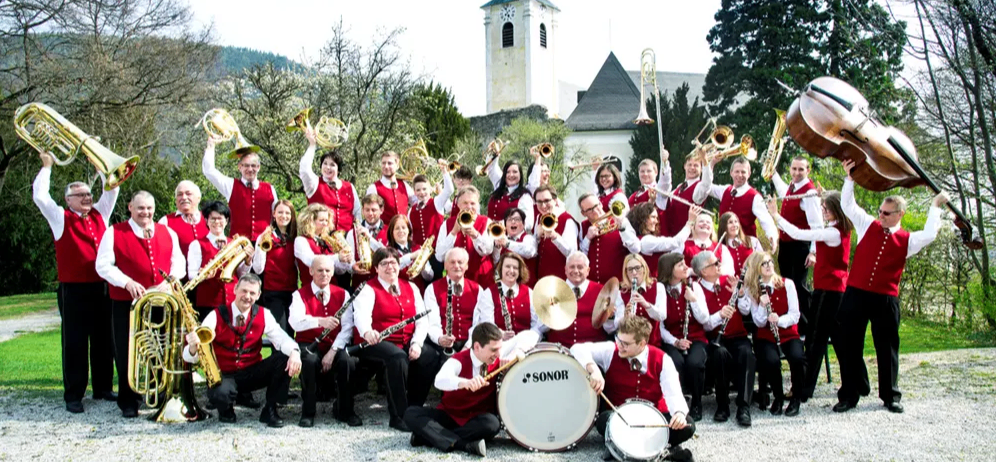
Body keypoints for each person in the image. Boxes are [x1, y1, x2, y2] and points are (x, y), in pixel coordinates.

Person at [833, 159, 947, 414]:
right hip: (856, 293)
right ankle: (850, 393)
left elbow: (929, 233)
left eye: (886, 213)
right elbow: (848, 205)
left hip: (886, 299)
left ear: (899, 214)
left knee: (887, 347)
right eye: (880, 211)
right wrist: (849, 179)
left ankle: (890, 395)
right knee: (849, 342)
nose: (881, 216)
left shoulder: (908, 240)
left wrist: (935, 206)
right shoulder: (867, 225)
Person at [32, 151, 119, 413]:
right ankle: (74, 395)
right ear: (68, 199)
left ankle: (103, 388)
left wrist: (102, 166)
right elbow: (40, 197)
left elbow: (112, 191)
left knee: (105, 340)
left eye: (88, 194)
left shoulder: (100, 215)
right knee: (75, 343)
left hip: (102, 287)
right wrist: (47, 166)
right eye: (80, 195)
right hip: (74, 290)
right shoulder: (60, 217)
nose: (87, 198)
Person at [95, 191, 185, 418]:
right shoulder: (114, 232)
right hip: (127, 303)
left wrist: (170, 281)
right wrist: (127, 282)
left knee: (161, 348)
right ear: (130, 207)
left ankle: (159, 394)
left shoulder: (168, 232)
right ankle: (128, 400)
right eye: (140, 208)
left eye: (149, 208)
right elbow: (103, 265)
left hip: (161, 302)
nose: (145, 212)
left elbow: (179, 263)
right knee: (126, 351)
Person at [182, 273, 302, 427]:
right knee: (220, 395)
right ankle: (226, 409)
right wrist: (193, 346)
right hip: (224, 374)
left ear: (258, 295)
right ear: (235, 290)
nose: (247, 296)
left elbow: (282, 339)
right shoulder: (215, 315)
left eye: (252, 293)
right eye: (244, 291)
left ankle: (270, 409)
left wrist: (295, 352)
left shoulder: (264, 314)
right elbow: (189, 357)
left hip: (252, 372)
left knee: (284, 358)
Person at [570, 316, 695, 461]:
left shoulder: (662, 359)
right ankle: (661, 449)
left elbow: (674, 393)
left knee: (688, 425)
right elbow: (577, 348)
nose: (620, 345)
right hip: (621, 418)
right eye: (618, 339)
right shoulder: (612, 350)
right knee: (604, 420)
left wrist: (679, 414)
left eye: (625, 343)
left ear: (642, 343)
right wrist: (593, 370)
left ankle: (625, 448)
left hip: (653, 418)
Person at [404, 322, 537, 457]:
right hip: (450, 415)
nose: (497, 354)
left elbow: (531, 335)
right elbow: (439, 380)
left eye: (499, 349)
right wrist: (465, 383)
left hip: (476, 420)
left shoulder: (498, 353)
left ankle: (429, 437)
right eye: (493, 350)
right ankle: (463, 444)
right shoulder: (458, 360)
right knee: (411, 413)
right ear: (477, 346)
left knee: (492, 424)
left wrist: (516, 351)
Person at [768, 191, 852, 402]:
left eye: (826, 208)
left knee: (816, 339)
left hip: (829, 291)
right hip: (834, 289)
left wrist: (775, 215)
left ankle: (804, 389)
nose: (822, 211)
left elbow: (798, 233)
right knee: (837, 339)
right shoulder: (839, 229)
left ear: (836, 210)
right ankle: (856, 384)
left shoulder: (832, 233)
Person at [349, 247, 436, 431]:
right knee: (397, 358)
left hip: (405, 341)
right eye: (384, 263)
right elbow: (361, 316)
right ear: (376, 268)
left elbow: (422, 320)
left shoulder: (411, 287)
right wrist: (367, 332)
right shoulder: (367, 288)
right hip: (374, 342)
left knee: (430, 356)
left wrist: (417, 343)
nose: (390, 267)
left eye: (393, 262)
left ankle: (414, 407)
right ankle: (398, 415)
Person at [288, 256, 358, 427]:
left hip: (335, 344)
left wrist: (333, 351)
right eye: (319, 270)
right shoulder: (299, 294)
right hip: (309, 342)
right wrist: (320, 321)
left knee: (347, 361)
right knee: (309, 360)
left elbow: (348, 327)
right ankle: (308, 411)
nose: (324, 274)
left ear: (333, 272)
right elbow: (294, 321)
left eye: (328, 270)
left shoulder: (343, 294)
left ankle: (345, 410)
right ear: (311, 271)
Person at [690, 251, 755, 426]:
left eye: (719, 261)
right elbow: (704, 323)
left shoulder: (730, 280)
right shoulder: (697, 288)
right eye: (715, 263)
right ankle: (722, 405)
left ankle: (744, 406)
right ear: (704, 271)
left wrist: (740, 294)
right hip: (715, 338)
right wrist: (720, 314)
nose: (720, 264)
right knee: (719, 355)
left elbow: (746, 310)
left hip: (738, 335)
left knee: (747, 354)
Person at [740, 251, 805, 417]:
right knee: (771, 360)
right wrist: (762, 305)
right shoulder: (753, 290)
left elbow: (795, 314)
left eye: (770, 262)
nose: (769, 265)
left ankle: (796, 398)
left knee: (797, 357)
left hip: (788, 333)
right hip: (765, 336)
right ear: (757, 268)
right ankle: (778, 397)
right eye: (764, 263)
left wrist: (779, 320)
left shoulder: (787, 284)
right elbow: (759, 322)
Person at [771, 157, 823, 340]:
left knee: (799, 287)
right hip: (786, 244)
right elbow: (784, 191)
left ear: (808, 170)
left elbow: (817, 225)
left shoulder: (808, 193)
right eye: (794, 169)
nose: (796, 173)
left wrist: (814, 251)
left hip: (800, 246)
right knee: (786, 285)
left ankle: (807, 328)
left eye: (801, 169)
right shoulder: (793, 188)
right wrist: (773, 173)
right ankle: (792, 324)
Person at [656, 252, 709, 421]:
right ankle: (677, 404)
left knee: (695, 363)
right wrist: (675, 342)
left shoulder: (694, 287)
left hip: (696, 338)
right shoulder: (661, 290)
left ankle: (697, 403)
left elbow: (704, 319)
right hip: (673, 340)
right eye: (681, 265)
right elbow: (661, 327)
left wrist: (693, 300)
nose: (686, 267)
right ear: (670, 270)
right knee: (675, 362)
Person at [202, 135, 277, 240]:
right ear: (239, 167)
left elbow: (276, 216)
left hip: (264, 244)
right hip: (238, 245)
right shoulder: (231, 185)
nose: (250, 169)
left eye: (253, 165)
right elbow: (209, 171)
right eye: (246, 165)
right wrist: (211, 146)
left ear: (259, 167)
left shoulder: (270, 188)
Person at [187, 200, 251, 320]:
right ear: (206, 221)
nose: (217, 222)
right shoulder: (197, 244)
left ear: (226, 221)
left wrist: (248, 261)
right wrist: (204, 275)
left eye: (220, 218)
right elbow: (191, 274)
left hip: (233, 300)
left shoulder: (235, 243)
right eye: (213, 219)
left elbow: (241, 274)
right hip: (208, 303)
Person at [703, 156, 778, 248]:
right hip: (724, 246)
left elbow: (766, 220)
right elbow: (706, 186)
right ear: (731, 173)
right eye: (737, 171)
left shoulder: (754, 197)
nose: (740, 175)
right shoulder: (725, 190)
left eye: (743, 172)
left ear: (749, 174)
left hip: (745, 247)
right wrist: (710, 164)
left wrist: (772, 237)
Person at [538, 252, 610, 347]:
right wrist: (550, 312)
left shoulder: (602, 291)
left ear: (588, 270)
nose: (576, 271)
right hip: (560, 350)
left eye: (580, 267)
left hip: (591, 350)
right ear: (565, 270)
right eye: (572, 267)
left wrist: (609, 317)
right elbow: (541, 327)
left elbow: (610, 329)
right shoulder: (552, 290)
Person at [299, 127, 360, 233]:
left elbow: (357, 212)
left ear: (338, 169)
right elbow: (304, 169)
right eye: (325, 164)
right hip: (321, 238)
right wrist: (312, 145)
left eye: (332, 165)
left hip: (347, 239)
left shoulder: (349, 187)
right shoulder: (314, 184)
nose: (328, 167)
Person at [251, 199, 299, 333]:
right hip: (273, 292)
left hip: (292, 291)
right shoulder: (265, 236)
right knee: (280, 332)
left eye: (287, 213)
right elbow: (258, 268)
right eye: (280, 212)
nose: (284, 216)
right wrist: (261, 247)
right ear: (273, 214)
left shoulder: (295, 238)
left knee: (291, 331)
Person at [434, 186, 496, 287]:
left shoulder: (486, 221)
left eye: (472, 203)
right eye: (465, 203)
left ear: (478, 205)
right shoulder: (447, 224)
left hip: (481, 278)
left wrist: (475, 234)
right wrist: (453, 232)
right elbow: (439, 256)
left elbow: (488, 250)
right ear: (458, 204)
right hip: (456, 280)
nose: (469, 207)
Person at [424, 248, 480, 359]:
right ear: (445, 265)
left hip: (471, 343)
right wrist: (440, 339)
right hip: (444, 344)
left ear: (467, 266)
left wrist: (469, 346)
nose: (456, 266)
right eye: (452, 262)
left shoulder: (478, 289)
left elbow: (478, 323)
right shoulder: (432, 289)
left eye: (460, 262)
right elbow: (433, 323)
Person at [578, 193, 640, 284]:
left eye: (596, 205)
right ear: (583, 213)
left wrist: (622, 228)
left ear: (601, 203)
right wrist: (587, 238)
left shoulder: (621, 220)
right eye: (590, 210)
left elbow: (636, 249)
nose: (595, 211)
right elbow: (580, 258)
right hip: (593, 286)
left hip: (618, 285)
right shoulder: (583, 226)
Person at [474, 253, 539, 339]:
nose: (511, 271)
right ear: (501, 269)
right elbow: (488, 323)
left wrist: (529, 337)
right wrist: (501, 334)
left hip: (525, 345)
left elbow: (536, 324)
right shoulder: (489, 293)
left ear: (520, 271)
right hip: (500, 344)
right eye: (507, 266)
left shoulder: (529, 293)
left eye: (515, 268)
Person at [629, 201, 693, 279]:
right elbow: (675, 242)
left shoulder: (644, 238)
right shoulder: (646, 241)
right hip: (650, 285)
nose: (656, 221)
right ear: (643, 218)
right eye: (653, 217)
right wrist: (690, 222)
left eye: (656, 218)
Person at [610, 255, 664, 347]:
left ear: (644, 269)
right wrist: (625, 317)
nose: (634, 273)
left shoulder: (658, 287)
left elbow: (662, 316)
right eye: (630, 269)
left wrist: (646, 305)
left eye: (637, 268)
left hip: (652, 343)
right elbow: (616, 325)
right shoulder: (621, 293)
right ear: (626, 273)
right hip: (629, 345)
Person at [340, 194, 390, 288]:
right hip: (359, 285)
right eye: (367, 210)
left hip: (384, 285)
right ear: (362, 210)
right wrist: (352, 267)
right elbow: (349, 259)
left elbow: (389, 255)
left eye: (374, 210)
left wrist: (369, 239)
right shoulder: (352, 233)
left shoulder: (390, 231)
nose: (370, 213)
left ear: (381, 210)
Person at [659, 151, 710, 237]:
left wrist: (705, 161)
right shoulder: (679, 187)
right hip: (671, 237)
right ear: (684, 166)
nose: (692, 168)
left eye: (696, 165)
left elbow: (706, 183)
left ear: (701, 169)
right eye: (689, 165)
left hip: (688, 239)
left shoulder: (699, 187)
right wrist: (665, 162)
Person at [533, 186, 578, 281]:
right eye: (539, 202)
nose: (543, 205)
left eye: (546, 201)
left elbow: (572, 253)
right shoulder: (538, 218)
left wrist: (555, 236)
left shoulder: (567, 220)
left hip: (561, 279)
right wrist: (536, 236)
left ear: (555, 200)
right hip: (542, 278)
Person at [294, 203, 342, 288]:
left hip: (331, 289)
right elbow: (312, 261)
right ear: (311, 221)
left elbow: (338, 270)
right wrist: (338, 257)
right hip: (310, 290)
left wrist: (347, 263)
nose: (325, 224)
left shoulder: (328, 241)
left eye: (327, 220)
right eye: (321, 220)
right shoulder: (301, 240)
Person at [158, 180, 208, 260]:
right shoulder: (165, 221)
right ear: (176, 200)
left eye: (188, 194)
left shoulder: (209, 218)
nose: (184, 197)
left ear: (198, 198)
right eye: (180, 194)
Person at [365, 150, 416, 224]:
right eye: (383, 163)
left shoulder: (404, 185)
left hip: (403, 232)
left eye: (389, 163)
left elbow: (417, 203)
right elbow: (369, 213)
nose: (386, 166)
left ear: (397, 166)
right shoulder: (374, 188)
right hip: (383, 233)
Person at [387, 214, 433, 291]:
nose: (401, 231)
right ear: (392, 232)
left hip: (419, 293)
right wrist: (411, 256)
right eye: (397, 228)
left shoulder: (418, 248)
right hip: (398, 293)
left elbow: (429, 277)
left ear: (408, 230)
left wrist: (423, 267)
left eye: (403, 227)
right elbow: (393, 267)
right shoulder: (388, 251)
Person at [492, 208, 537, 286]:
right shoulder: (503, 238)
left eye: (517, 219)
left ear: (523, 224)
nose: (513, 222)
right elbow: (496, 262)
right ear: (505, 224)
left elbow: (529, 252)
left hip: (525, 287)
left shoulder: (529, 238)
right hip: (504, 286)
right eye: (509, 220)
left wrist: (507, 244)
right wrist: (497, 248)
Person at [486, 159, 534, 231]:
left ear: (520, 175)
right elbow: (491, 168)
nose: (511, 175)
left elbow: (528, 223)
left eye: (515, 172)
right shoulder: (498, 190)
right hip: (490, 237)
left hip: (510, 239)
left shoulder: (524, 196)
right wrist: (494, 154)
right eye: (508, 172)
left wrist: (504, 224)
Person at [683, 211, 734, 276]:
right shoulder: (683, 245)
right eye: (701, 221)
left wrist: (716, 270)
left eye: (708, 222)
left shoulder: (722, 248)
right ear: (694, 226)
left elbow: (729, 270)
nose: (705, 223)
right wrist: (693, 272)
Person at [408, 172, 448, 248]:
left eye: (424, 189)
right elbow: (410, 233)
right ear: (414, 192)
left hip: (437, 251)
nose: (422, 192)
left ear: (430, 189)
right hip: (419, 254)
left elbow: (449, 190)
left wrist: (444, 171)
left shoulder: (437, 202)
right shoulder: (411, 211)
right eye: (418, 190)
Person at [718, 211, 764, 276]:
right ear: (724, 226)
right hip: (733, 284)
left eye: (736, 221)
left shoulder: (752, 241)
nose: (734, 225)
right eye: (730, 222)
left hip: (753, 282)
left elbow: (763, 261)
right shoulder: (721, 248)